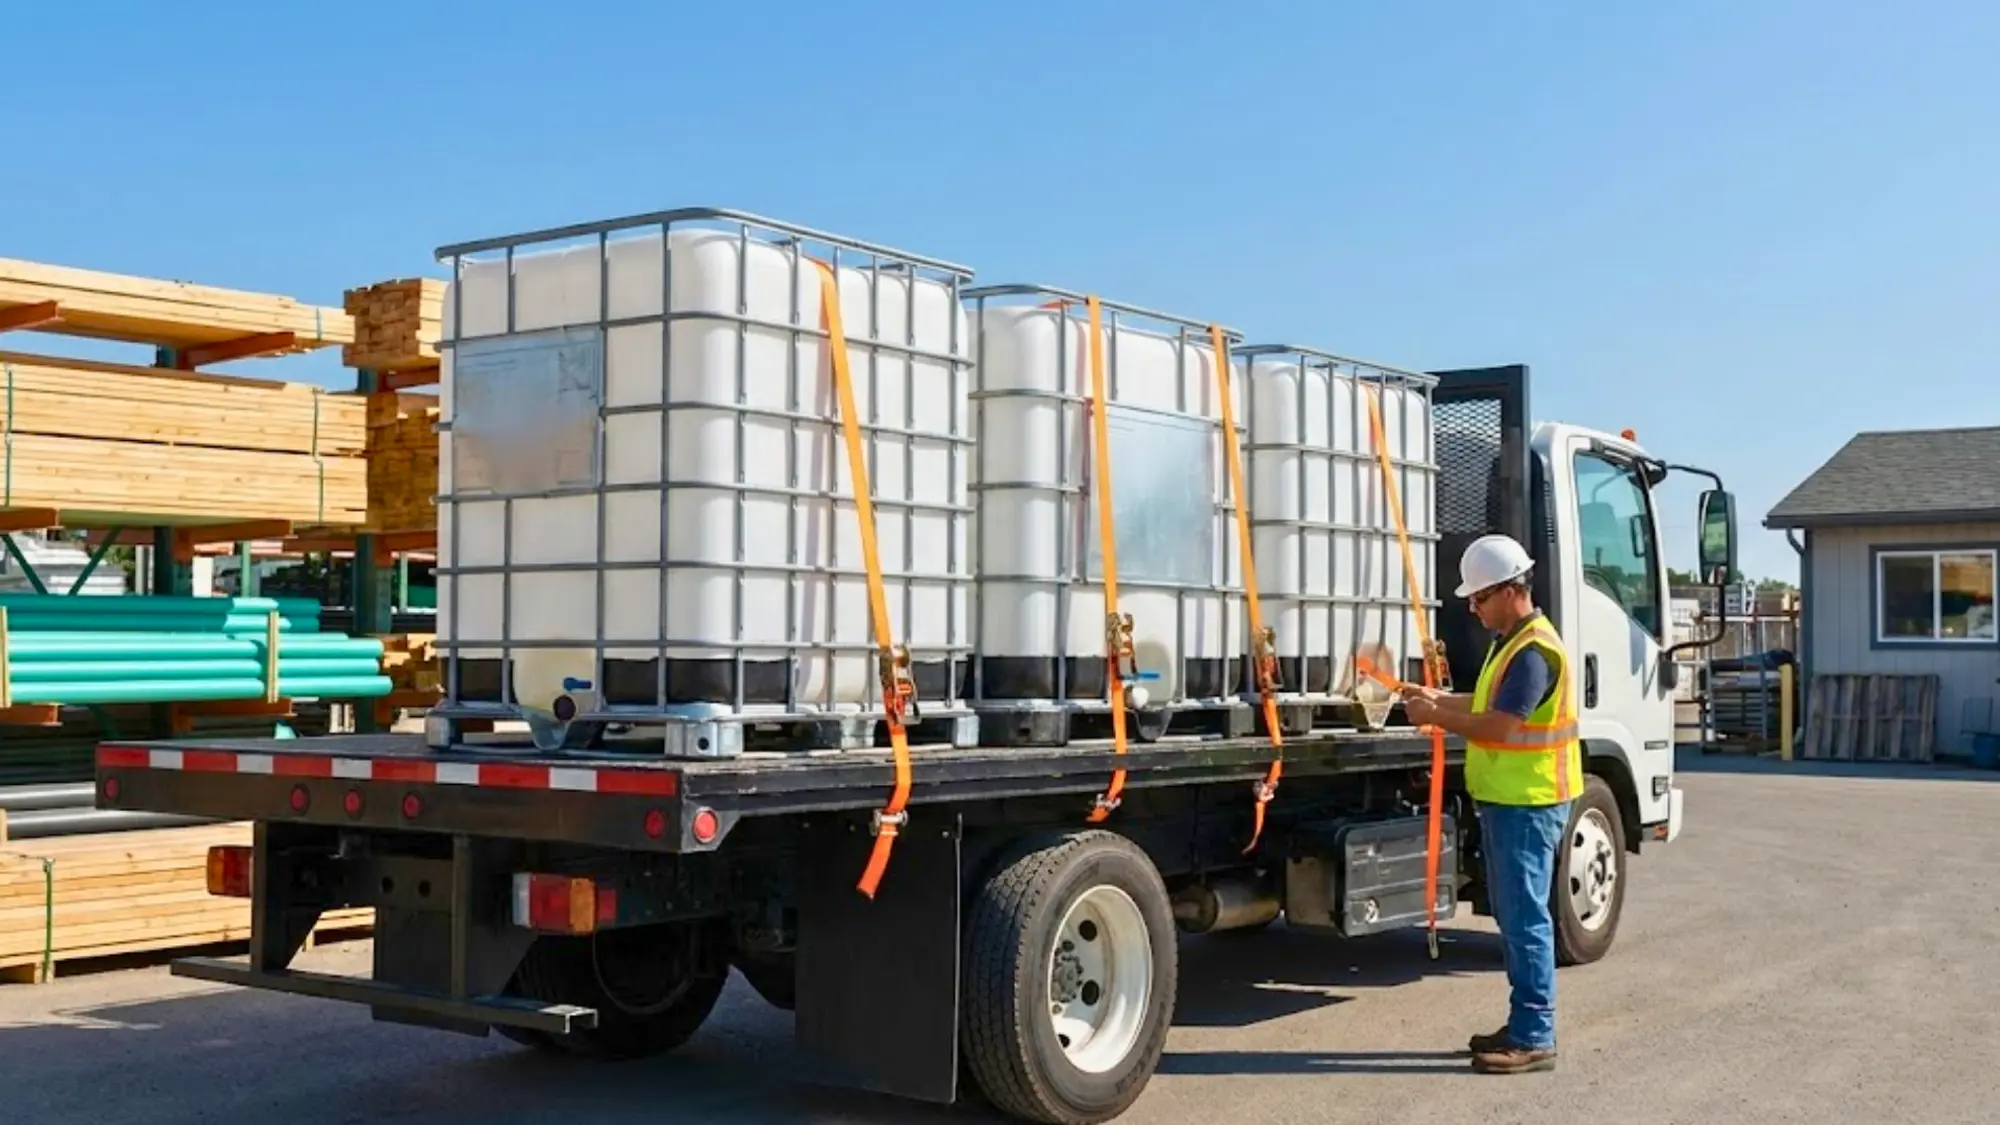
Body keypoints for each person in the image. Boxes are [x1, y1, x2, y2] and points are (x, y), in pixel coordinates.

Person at [1403, 532, 1582, 1075]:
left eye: (1478, 598)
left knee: (1526, 919)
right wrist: (1439, 700)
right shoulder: (1515, 644)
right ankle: (1524, 1023)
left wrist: (1437, 717)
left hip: (1527, 804)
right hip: (1514, 802)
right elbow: (1486, 705)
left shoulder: (1532, 652)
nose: (1473, 609)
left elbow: (1502, 726)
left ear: (1508, 591)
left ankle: (1533, 1034)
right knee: (1516, 915)